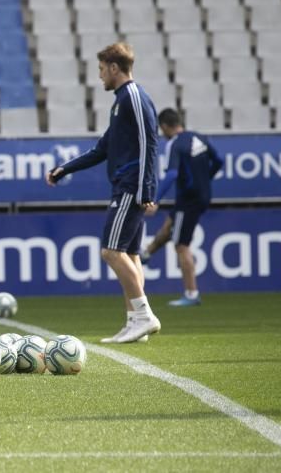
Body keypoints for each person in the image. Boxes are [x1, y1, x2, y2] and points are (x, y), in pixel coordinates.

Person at [46, 42, 160, 344]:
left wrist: (146, 186)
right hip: (128, 184)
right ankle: (136, 321)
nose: (99, 77)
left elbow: (150, 141)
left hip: (130, 185)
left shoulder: (133, 96)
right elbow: (101, 150)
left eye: (101, 70)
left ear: (113, 67)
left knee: (111, 251)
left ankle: (144, 314)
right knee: (130, 254)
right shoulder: (120, 102)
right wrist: (64, 169)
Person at [141, 108, 223, 307]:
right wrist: (206, 179)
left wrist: (155, 200)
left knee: (181, 245)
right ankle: (146, 254)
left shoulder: (175, 144)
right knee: (169, 227)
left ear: (165, 126)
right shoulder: (199, 137)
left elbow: (171, 174)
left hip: (189, 199)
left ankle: (191, 293)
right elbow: (219, 161)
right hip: (201, 196)